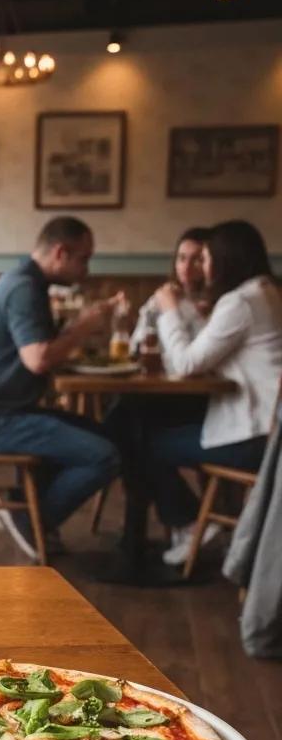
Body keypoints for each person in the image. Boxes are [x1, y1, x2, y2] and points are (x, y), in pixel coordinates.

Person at [0, 216, 123, 560]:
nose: (86, 269)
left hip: (1, 410)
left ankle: (26, 507)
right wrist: (82, 328)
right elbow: (38, 359)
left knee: (108, 435)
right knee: (105, 455)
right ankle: (30, 519)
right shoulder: (24, 288)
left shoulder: (24, 280)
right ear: (61, 253)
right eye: (83, 259)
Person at [131, 220, 282, 565]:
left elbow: (185, 364)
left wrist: (170, 310)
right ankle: (211, 527)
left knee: (145, 444)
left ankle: (189, 524)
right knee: (153, 429)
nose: (204, 266)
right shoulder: (268, 292)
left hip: (255, 436)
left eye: (207, 258)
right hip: (271, 430)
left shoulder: (240, 302)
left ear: (226, 260)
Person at [130, 227, 211, 374]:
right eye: (182, 258)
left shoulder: (219, 303)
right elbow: (135, 346)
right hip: (161, 379)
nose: (186, 267)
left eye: (196, 260)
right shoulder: (160, 299)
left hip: (200, 379)